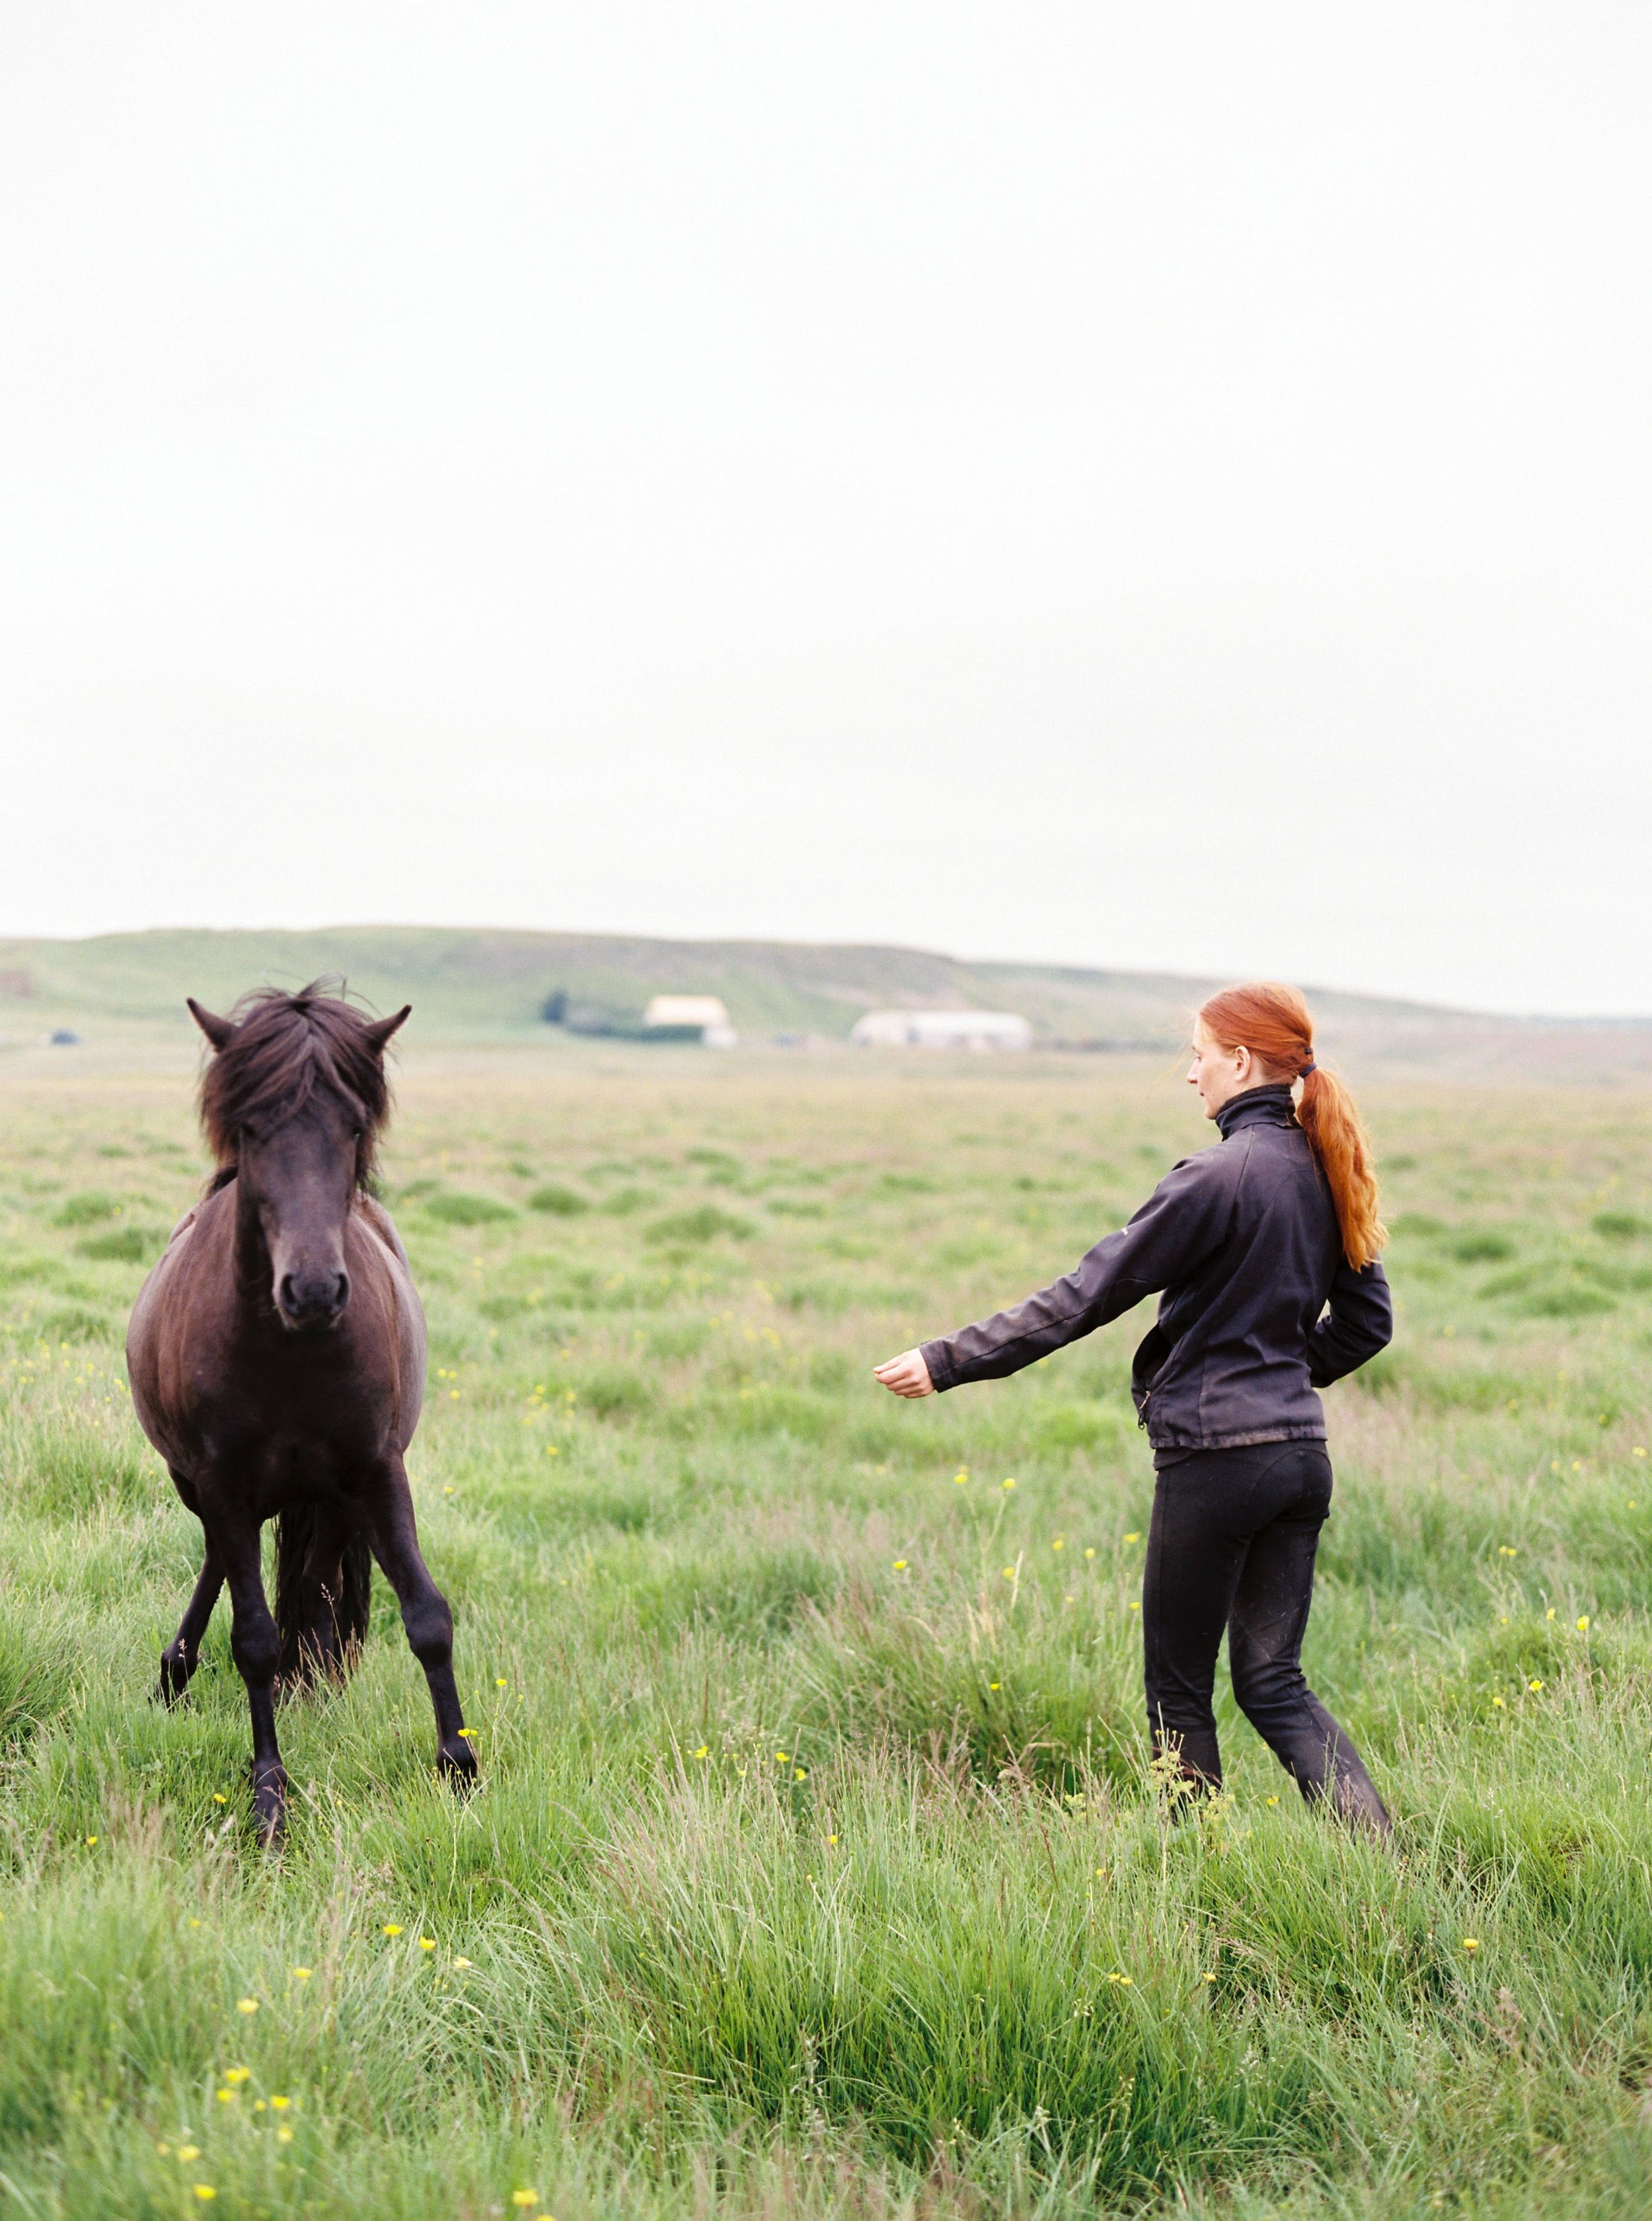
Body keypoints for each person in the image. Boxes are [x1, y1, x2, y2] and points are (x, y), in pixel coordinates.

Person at [874, 981, 1393, 1836]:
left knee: (1179, 1693)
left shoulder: (1211, 1178)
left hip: (1216, 1461)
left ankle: (1199, 1890)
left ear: (1238, 1058)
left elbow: (1083, 1296)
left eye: (1197, 1054)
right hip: (1302, 1456)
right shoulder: (1325, 1166)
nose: (1190, 1074)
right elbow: (1370, 1323)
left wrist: (945, 1360)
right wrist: (1280, 1379)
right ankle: (1396, 1870)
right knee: (1275, 1684)